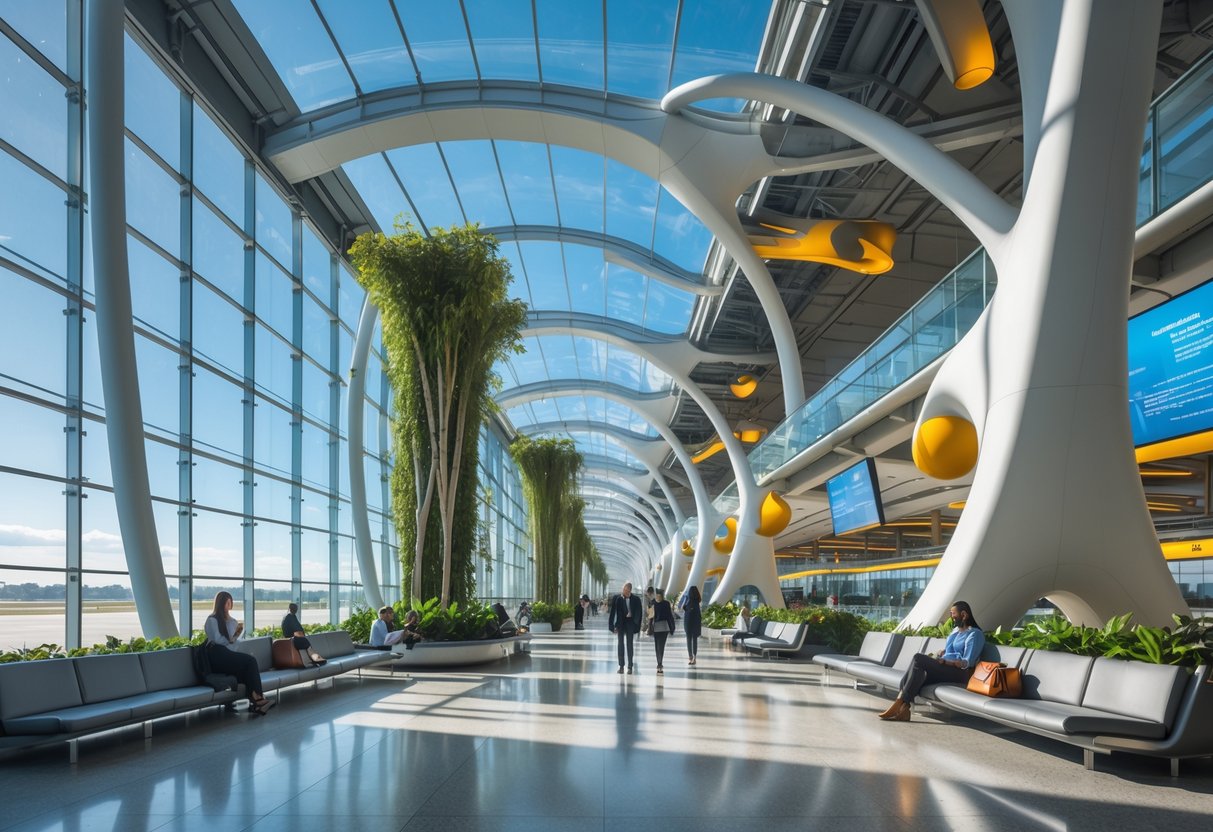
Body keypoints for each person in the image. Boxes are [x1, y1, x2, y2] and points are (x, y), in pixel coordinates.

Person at [878, 600, 985, 721]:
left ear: (964, 615)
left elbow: (967, 662)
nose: (951, 617)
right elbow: (953, 651)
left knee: (918, 658)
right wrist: (943, 653)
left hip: (960, 673)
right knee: (916, 673)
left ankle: (899, 704)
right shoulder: (956, 631)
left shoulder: (975, 634)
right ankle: (903, 708)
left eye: (953, 614)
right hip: (946, 668)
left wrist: (946, 662)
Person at [204, 591, 274, 715]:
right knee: (250, 661)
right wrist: (230, 639)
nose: (229, 605)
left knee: (246, 670)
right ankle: (258, 699)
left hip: (226, 654)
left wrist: (235, 635)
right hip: (216, 655)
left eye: (231, 602)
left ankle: (256, 702)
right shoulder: (212, 620)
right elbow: (217, 640)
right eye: (227, 602)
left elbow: (232, 647)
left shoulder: (232, 621)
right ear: (221, 603)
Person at [608, 582, 643, 674]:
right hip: (620, 624)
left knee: (629, 644)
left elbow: (639, 612)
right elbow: (613, 613)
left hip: (630, 623)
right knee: (620, 644)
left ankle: (630, 666)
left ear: (630, 590)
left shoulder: (636, 599)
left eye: (626, 590)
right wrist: (611, 626)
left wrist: (634, 619)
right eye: (623, 589)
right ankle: (621, 666)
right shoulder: (617, 598)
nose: (624, 591)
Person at [649, 588, 676, 674]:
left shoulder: (666, 603)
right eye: (658, 595)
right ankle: (659, 663)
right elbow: (650, 616)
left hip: (664, 627)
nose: (659, 597)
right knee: (657, 646)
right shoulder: (653, 603)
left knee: (661, 646)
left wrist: (672, 627)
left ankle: (660, 664)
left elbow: (669, 616)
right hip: (656, 627)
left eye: (660, 595)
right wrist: (649, 627)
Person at [681, 584, 702, 664]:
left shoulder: (688, 602)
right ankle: (694, 657)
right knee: (694, 640)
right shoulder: (697, 603)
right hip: (695, 625)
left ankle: (690, 657)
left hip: (688, 625)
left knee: (689, 640)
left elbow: (683, 608)